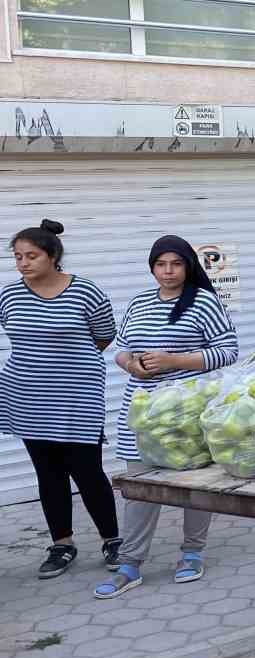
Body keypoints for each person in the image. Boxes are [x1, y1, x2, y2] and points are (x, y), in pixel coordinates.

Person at [96, 236, 238, 599]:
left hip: (186, 414)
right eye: (161, 264)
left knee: (194, 489)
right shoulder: (140, 302)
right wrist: (132, 365)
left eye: (176, 263)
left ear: (188, 265)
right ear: (153, 267)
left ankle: (192, 553)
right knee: (140, 491)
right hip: (142, 413)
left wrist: (175, 361)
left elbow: (228, 351)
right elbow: (122, 350)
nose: (169, 271)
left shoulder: (203, 301)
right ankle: (130, 564)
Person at [0, 220, 122, 579]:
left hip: (77, 396)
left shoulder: (85, 291)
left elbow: (104, 336)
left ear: (53, 256)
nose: (23, 263)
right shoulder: (8, 295)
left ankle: (113, 540)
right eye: (18, 257)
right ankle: (62, 544)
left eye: (31, 256)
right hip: (27, 396)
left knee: (88, 472)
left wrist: (67, 366)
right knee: (48, 474)